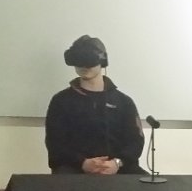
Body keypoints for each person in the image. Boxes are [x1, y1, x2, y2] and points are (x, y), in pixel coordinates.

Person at [45, 35, 145, 175]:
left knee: (149, 184)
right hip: (73, 169)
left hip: (119, 169)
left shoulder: (123, 102)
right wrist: (83, 163)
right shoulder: (61, 101)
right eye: (78, 61)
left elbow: (135, 142)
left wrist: (117, 163)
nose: (84, 66)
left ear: (102, 61)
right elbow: (55, 143)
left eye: (89, 60)